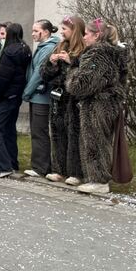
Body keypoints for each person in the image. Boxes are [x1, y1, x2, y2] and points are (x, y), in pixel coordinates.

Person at [63, 19, 128, 194]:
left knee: (94, 140)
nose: (83, 37)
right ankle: (96, 177)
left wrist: (72, 71)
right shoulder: (112, 52)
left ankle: (99, 180)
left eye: (86, 34)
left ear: (97, 35)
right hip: (107, 103)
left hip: (98, 104)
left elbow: (80, 85)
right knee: (99, 139)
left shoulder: (98, 54)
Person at [43, 15, 85, 184]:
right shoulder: (59, 46)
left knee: (74, 135)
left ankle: (75, 173)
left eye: (64, 29)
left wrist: (70, 62)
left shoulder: (84, 50)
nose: (61, 32)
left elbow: (83, 75)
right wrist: (51, 64)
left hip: (74, 100)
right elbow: (44, 75)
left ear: (74, 31)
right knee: (58, 134)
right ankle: (59, 170)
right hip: (58, 98)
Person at [0, 22, 30, 178]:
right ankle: (12, 162)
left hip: (6, 97)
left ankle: (3, 166)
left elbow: (3, 79)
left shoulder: (9, 52)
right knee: (9, 130)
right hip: (16, 96)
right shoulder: (25, 49)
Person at [22, 19, 59, 178]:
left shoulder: (48, 48)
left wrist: (27, 92)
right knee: (37, 131)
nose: (32, 34)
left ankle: (41, 168)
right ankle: (41, 166)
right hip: (37, 96)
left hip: (41, 97)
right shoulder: (44, 47)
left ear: (45, 32)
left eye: (36, 31)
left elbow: (38, 74)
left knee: (39, 132)